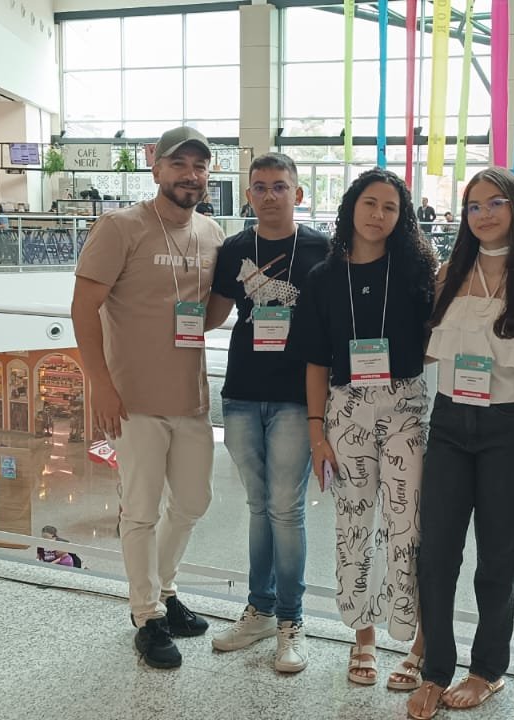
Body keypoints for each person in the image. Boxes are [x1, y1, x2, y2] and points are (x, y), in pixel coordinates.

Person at [408, 167, 514, 720]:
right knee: (436, 554)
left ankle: (487, 670)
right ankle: (435, 670)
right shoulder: (449, 273)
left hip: (512, 428)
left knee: (498, 558)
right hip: (450, 424)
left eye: (495, 203)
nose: (483, 214)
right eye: (474, 205)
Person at [69, 126, 224, 670]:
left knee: (194, 501)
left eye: (199, 166)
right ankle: (147, 613)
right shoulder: (120, 227)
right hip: (132, 400)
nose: (190, 175)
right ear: (156, 168)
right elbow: (83, 307)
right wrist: (100, 384)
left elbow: (210, 313)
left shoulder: (212, 233)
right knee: (139, 510)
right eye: (179, 164)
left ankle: (164, 587)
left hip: (191, 398)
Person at [288, 168, 436, 690]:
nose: (378, 215)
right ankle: (363, 636)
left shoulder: (418, 271)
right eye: (370, 203)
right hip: (346, 409)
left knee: (407, 524)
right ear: (351, 206)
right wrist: (316, 435)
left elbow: (438, 338)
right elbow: (315, 361)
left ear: (402, 216)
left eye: (390, 207)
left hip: (404, 406)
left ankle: (416, 639)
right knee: (353, 522)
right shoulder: (323, 277)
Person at [203, 153, 331, 674]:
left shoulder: (322, 248)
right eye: (259, 187)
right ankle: (259, 610)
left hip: (297, 397)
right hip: (241, 392)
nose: (269, 195)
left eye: (280, 186)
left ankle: (290, 621)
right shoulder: (236, 249)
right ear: (248, 195)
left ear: (297, 194)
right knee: (259, 506)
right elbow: (212, 314)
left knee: (285, 507)